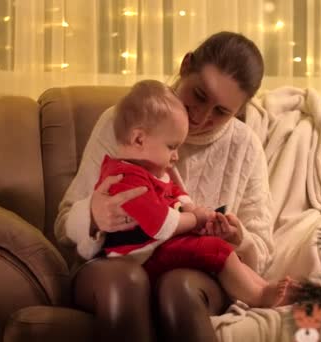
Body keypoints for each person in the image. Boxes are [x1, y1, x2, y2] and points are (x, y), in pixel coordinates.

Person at [55, 32, 273, 342]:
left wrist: (240, 239)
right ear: (186, 66)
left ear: (238, 111)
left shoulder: (245, 146)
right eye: (199, 95)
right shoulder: (123, 123)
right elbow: (63, 224)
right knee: (126, 280)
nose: (201, 117)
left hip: (194, 274)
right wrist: (91, 215)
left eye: (222, 112)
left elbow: (262, 249)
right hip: (114, 266)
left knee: (179, 287)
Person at [97, 79, 293, 309]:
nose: (176, 157)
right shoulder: (126, 179)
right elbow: (160, 223)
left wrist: (193, 209)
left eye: (221, 110)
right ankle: (259, 296)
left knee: (215, 245)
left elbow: (174, 193)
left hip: (153, 249)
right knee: (213, 249)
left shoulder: (147, 171)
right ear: (139, 139)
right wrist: (195, 219)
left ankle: (263, 287)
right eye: (172, 147)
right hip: (138, 256)